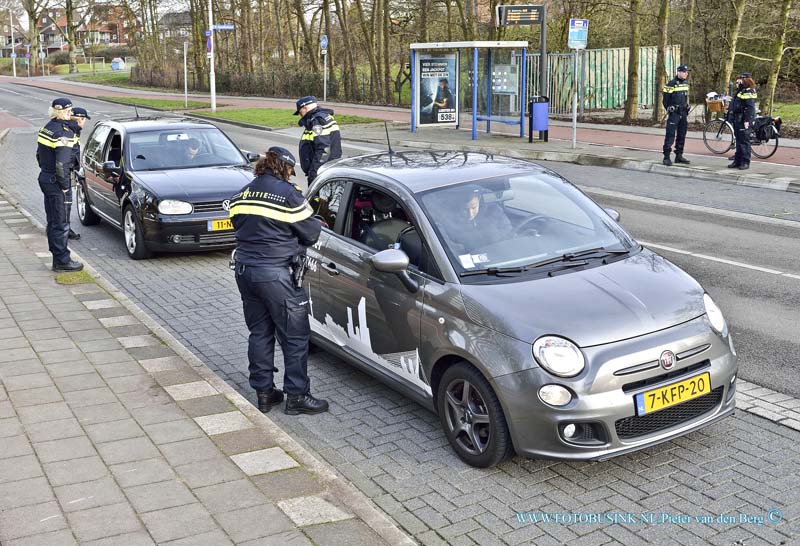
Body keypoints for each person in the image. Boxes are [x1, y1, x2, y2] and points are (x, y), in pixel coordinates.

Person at [229, 146, 328, 416]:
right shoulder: (288, 195)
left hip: (245, 271)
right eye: (290, 170)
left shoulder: (243, 192)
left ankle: (264, 393)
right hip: (275, 274)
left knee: (259, 332)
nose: (290, 175)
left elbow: (236, 223)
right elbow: (310, 234)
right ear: (283, 167)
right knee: (295, 336)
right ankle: (297, 396)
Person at [36, 97, 83, 272]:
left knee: (53, 220)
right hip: (57, 182)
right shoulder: (64, 133)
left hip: (45, 177)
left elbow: (39, 155)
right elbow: (62, 164)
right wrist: (64, 185)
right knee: (61, 222)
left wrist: (46, 171)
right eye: (69, 111)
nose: (71, 114)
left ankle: (58, 256)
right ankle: (62, 260)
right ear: (64, 112)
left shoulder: (47, 128)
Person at [440, 186, 513, 254]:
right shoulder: (448, 222)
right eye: (465, 209)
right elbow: (453, 251)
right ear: (456, 206)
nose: (470, 214)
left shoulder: (494, 212)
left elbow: (509, 235)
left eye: (473, 207)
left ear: (479, 199)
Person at [295, 95, 341, 184]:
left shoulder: (317, 121)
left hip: (321, 171)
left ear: (304, 108)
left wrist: (314, 172)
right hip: (328, 167)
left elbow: (324, 149)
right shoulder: (325, 116)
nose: (300, 116)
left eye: (300, 112)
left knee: (316, 197)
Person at [66, 106, 91, 241]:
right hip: (64, 174)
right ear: (80, 119)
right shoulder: (70, 131)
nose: (85, 122)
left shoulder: (73, 130)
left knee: (64, 203)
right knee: (65, 203)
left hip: (67, 171)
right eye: (84, 119)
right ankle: (63, 230)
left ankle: (63, 229)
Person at [662, 64, 691, 166]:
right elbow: (665, 100)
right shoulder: (671, 84)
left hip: (683, 113)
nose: (686, 74)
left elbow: (685, 97)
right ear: (678, 72)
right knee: (670, 135)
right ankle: (666, 157)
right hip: (674, 113)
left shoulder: (686, 83)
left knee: (682, 135)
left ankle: (679, 155)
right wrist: (670, 109)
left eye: (687, 72)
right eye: (684, 72)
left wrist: (687, 105)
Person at [728, 73, 757, 170]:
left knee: (744, 141)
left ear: (745, 80)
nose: (738, 82)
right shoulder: (741, 90)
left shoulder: (748, 91)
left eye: (740, 80)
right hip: (737, 118)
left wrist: (747, 120)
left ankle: (745, 162)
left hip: (743, 119)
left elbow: (750, 108)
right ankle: (737, 160)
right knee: (739, 141)